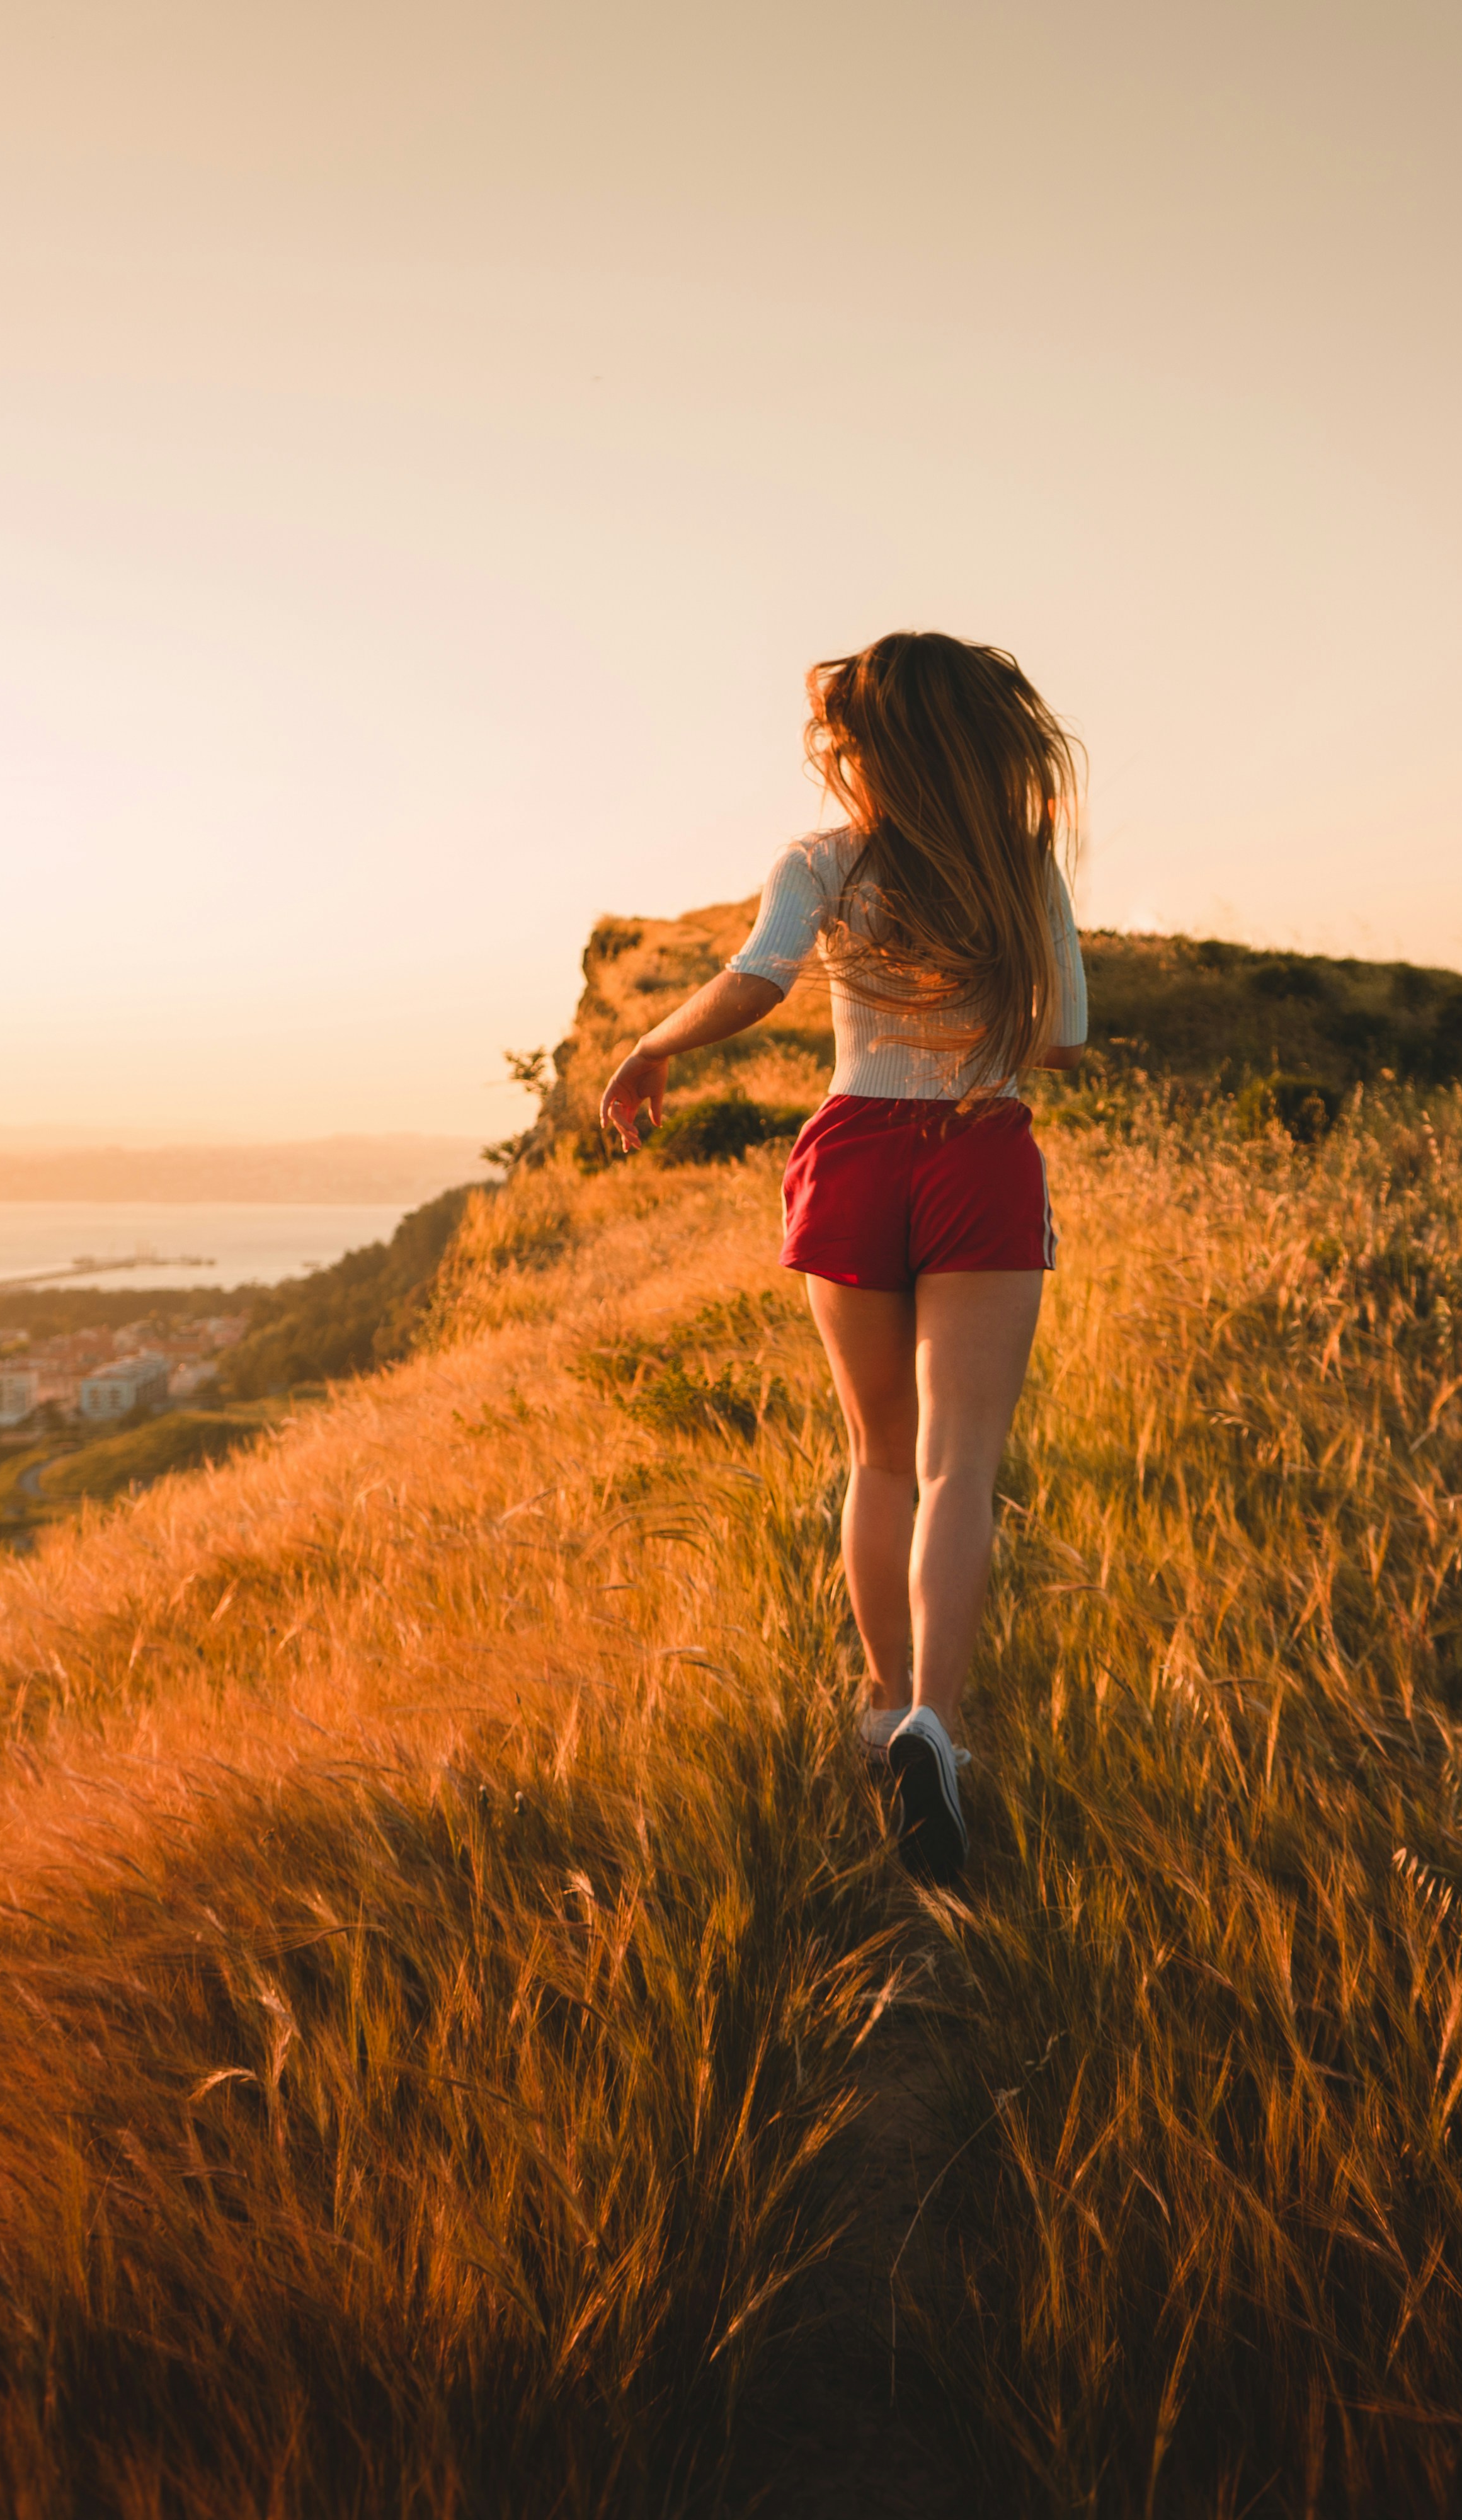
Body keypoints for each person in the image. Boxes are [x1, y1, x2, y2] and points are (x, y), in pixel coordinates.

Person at [600, 631, 1088, 1884]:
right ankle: (940, 1717)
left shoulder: (820, 862)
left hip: (854, 1147)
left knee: (877, 1456)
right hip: (980, 1145)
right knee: (958, 1464)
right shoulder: (1017, 865)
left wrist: (649, 1047)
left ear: (858, 744)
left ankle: (880, 1710)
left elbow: (755, 980)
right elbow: (1063, 1039)